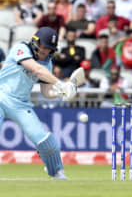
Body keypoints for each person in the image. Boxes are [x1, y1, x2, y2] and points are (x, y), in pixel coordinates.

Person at [0, 26, 81, 180]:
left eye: (50, 49)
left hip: (21, 105)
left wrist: (61, 94)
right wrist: (61, 84)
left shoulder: (47, 64)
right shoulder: (21, 48)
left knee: (46, 142)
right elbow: (37, 70)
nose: (45, 51)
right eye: (43, 46)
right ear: (35, 41)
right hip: (1, 95)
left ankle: (57, 172)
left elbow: (46, 93)